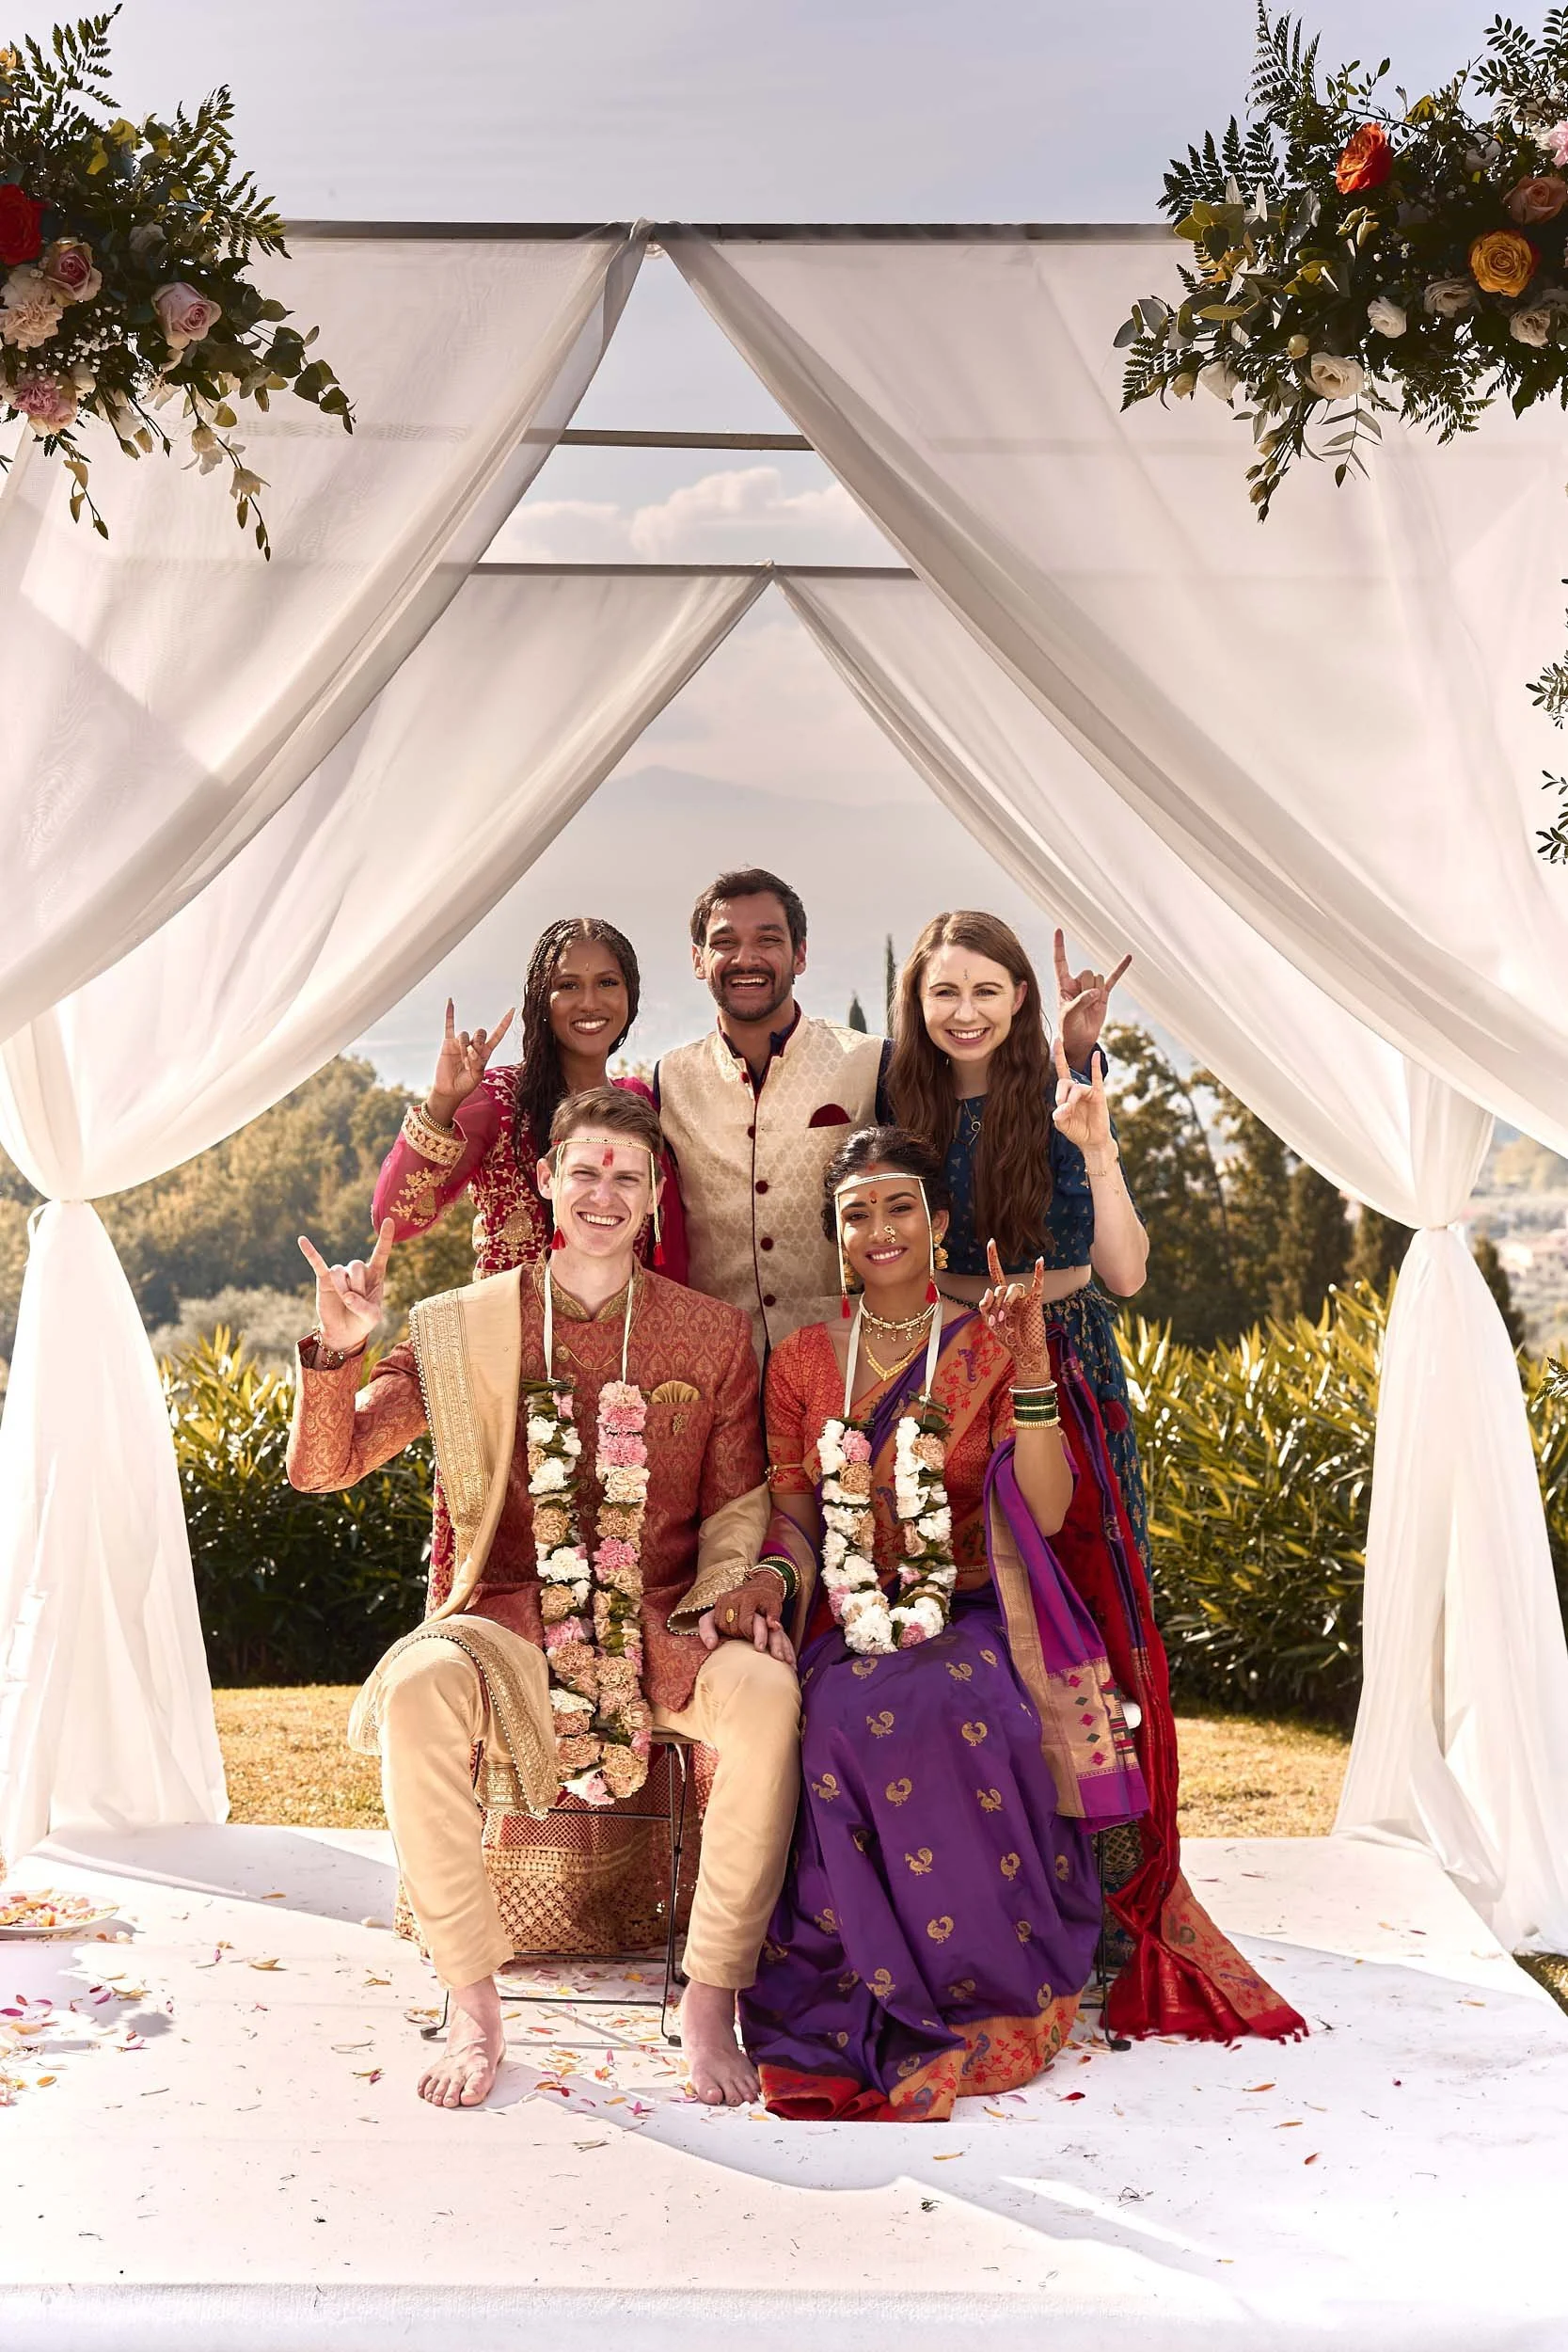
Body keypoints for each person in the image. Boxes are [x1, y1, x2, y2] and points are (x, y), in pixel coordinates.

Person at [744, 1129, 1304, 2116]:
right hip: (848, 1611)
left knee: (966, 1700)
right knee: (837, 1719)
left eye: (899, 1206)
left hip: (968, 1604)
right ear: (834, 1238)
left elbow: (1042, 1511)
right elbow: (792, 1515)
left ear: (939, 1221)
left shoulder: (984, 1346)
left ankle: (990, 1979)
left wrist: (1034, 1370)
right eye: (856, 1214)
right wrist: (771, 1586)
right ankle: (869, 1983)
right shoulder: (799, 1363)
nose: (879, 1230)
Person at [289, 1086, 800, 2111]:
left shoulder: (708, 1336)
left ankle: (709, 1996)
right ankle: (475, 2002)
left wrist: (738, 1591)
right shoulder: (461, 1325)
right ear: (546, 1180)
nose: (603, 1192)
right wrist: (341, 1348)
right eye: (586, 1170)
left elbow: (737, 1504)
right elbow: (325, 1464)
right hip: (510, 1619)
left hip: (660, 1613)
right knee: (420, 1689)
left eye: (626, 1175)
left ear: (654, 1196)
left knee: (765, 1698)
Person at [885, 913, 1151, 1565]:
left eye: (986, 991)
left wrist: (1097, 1145)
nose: (965, 1012)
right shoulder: (899, 1097)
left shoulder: (1059, 1094)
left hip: (1063, 1350)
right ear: (917, 1001)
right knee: (954, 1571)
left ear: (1020, 997)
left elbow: (1125, 1276)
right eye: (944, 991)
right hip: (945, 1351)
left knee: (1075, 1568)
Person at [372, 914, 687, 1281]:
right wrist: (442, 1102)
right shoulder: (498, 1100)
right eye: (568, 985)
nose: (589, 1002)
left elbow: (668, 1251)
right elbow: (395, 1219)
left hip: (620, 1334)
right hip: (505, 1331)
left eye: (607, 982)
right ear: (541, 999)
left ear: (629, 995)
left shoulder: (639, 1104)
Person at [655, 867, 883, 1360]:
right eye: (725, 942)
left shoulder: (868, 1062)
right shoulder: (667, 1080)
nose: (746, 958)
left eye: (768, 939)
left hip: (842, 1355)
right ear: (698, 959)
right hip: (713, 1361)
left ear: (800, 954)